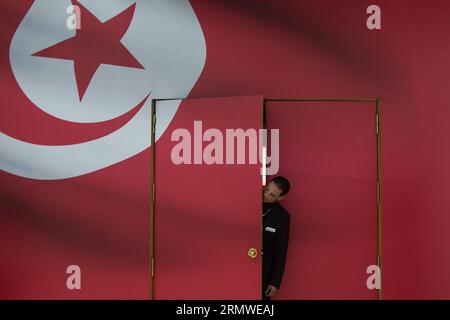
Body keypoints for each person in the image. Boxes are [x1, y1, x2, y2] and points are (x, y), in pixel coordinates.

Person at [262, 176, 291, 300]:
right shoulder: (248, 198)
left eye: (272, 195)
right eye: (267, 189)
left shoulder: (282, 217)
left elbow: (280, 252)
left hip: (263, 270)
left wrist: (275, 282)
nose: (266, 195)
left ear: (280, 197)